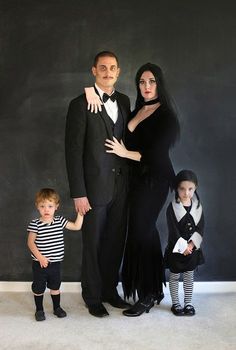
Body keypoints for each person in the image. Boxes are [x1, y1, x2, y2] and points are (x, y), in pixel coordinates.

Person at [86, 62, 180, 317]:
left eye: (151, 81)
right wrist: (89, 90)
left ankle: (150, 294)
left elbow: (158, 155)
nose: (146, 87)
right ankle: (145, 291)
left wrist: (125, 152)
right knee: (138, 233)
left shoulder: (166, 116)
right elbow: (106, 103)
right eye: (142, 82)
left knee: (143, 231)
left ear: (159, 84)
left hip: (156, 181)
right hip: (135, 181)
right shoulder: (134, 108)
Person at [65, 51, 131, 318]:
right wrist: (78, 193)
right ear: (94, 71)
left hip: (121, 187)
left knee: (115, 242)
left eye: (112, 67)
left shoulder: (125, 101)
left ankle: (109, 291)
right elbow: (73, 152)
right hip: (92, 190)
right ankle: (92, 297)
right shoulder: (79, 105)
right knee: (92, 243)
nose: (107, 72)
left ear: (119, 71)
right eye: (102, 68)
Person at [27, 188, 83, 321]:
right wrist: (40, 257)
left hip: (55, 264)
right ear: (37, 206)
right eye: (42, 206)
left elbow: (76, 226)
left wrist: (81, 213)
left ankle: (57, 307)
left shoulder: (60, 221)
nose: (46, 209)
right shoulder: (35, 224)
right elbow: (30, 243)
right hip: (39, 264)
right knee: (39, 288)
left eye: (50, 206)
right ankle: (39, 310)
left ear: (56, 207)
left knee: (55, 287)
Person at [164, 170, 204, 316]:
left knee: (189, 275)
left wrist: (191, 245)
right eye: (182, 189)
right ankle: (176, 303)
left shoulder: (198, 207)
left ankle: (188, 303)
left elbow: (200, 228)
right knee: (174, 276)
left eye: (190, 189)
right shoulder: (172, 208)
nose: (186, 193)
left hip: (192, 249)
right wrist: (183, 247)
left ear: (195, 188)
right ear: (177, 188)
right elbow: (173, 231)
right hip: (176, 249)